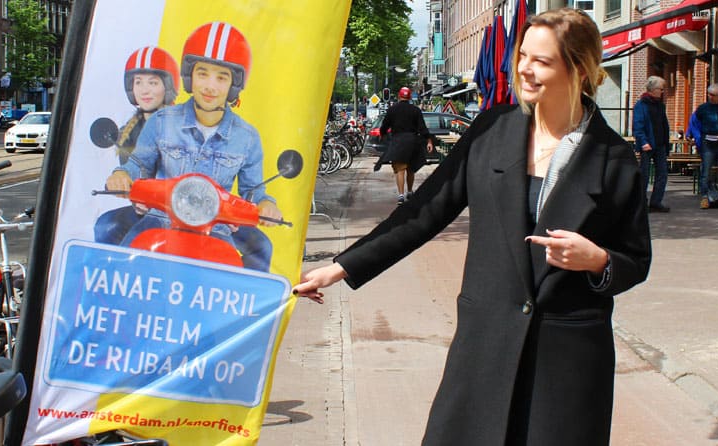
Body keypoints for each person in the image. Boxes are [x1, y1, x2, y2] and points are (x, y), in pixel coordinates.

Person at [293, 8, 651, 445]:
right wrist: (342, 267)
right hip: (486, 345)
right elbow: (423, 211)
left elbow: (635, 259)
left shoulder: (613, 158)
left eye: (541, 61)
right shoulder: (492, 131)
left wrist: (597, 261)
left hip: (566, 361)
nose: (524, 68)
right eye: (523, 56)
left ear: (579, 69)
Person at [104, 22, 281, 272]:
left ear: (234, 84)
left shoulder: (247, 137)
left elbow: (253, 190)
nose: (210, 86)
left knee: (235, 280)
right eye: (202, 74)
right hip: (159, 221)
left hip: (216, 227)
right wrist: (121, 175)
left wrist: (265, 204)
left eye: (221, 77)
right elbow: (139, 165)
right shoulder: (162, 121)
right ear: (189, 76)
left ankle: (252, 312)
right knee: (120, 271)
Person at [94, 46, 179, 245]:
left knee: (134, 244)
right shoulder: (127, 132)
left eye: (153, 82)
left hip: (180, 212)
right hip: (145, 211)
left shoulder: (182, 125)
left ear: (167, 86)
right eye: (137, 82)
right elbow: (132, 170)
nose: (144, 89)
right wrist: (120, 180)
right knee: (105, 226)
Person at [374, 86, 434, 205]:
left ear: (399, 96)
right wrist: (429, 140)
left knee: (400, 170)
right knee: (410, 169)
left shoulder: (392, 110)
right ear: (410, 97)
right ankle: (410, 191)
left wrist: (382, 133)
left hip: (398, 142)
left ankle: (401, 195)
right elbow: (422, 127)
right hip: (412, 142)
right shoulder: (416, 110)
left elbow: (385, 125)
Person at [632, 75, 671, 212]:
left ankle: (656, 202)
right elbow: (638, 125)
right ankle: (641, 203)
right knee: (644, 175)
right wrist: (643, 142)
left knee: (662, 174)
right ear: (653, 89)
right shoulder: (641, 105)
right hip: (647, 145)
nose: (662, 92)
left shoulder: (660, 105)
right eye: (660, 89)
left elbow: (664, 125)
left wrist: (667, 143)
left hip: (660, 145)